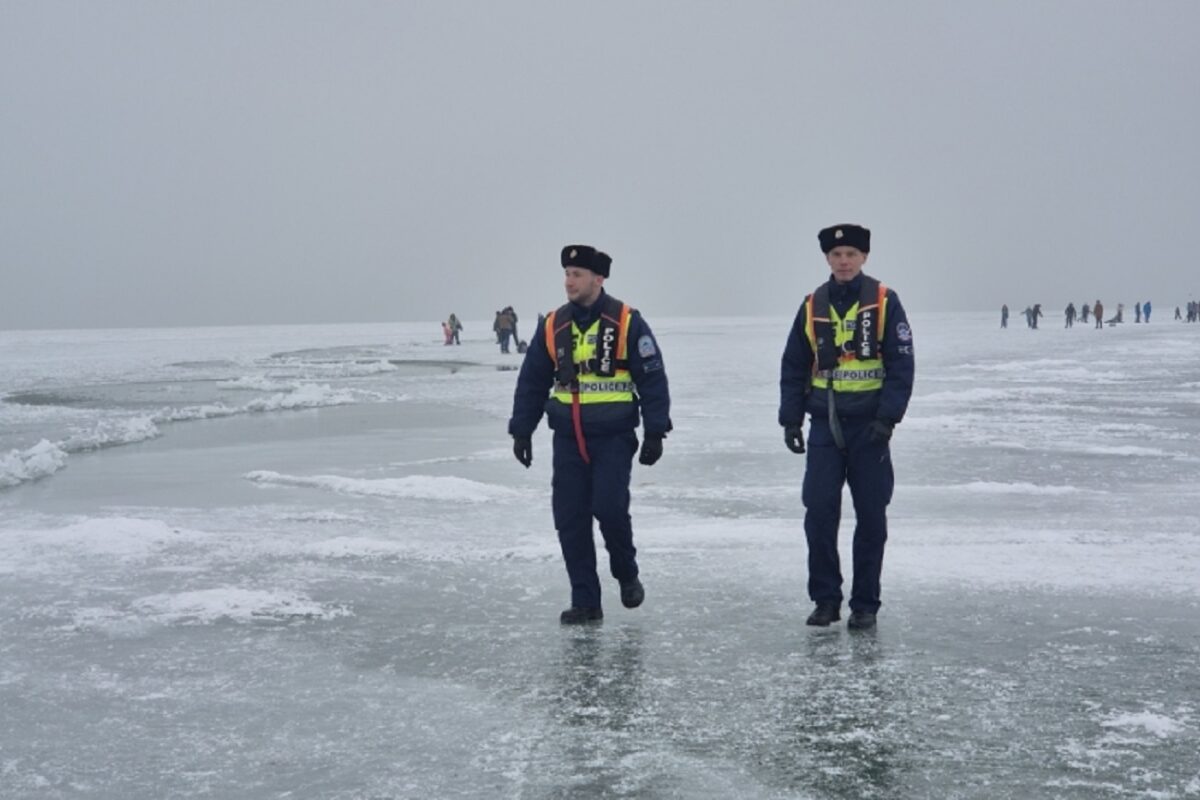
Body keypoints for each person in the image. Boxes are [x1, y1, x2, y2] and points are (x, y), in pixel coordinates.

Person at [508, 245, 672, 625]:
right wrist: (522, 431)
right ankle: (585, 601)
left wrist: (655, 431)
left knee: (609, 509)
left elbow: (652, 377)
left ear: (598, 279)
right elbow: (532, 381)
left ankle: (626, 574)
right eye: (566, 274)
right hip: (568, 439)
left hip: (613, 437)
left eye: (577, 275)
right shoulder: (553, 325)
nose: (569, 282)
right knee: (570, 519)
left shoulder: (627, 321)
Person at [779, 224, 915, 630]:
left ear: (864, 257)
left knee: (871, 517)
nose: (844, 261)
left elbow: (902, 366)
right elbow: (793, 366)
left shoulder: (885, 302)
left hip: (870, 429)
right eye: (837, 255)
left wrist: (887, 419)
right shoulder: (811, 306)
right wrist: (790, 419)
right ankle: (825, 600)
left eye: (851, 254)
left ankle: (865, 604)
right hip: (825, 427)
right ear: (827, 258)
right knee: (819, 513)